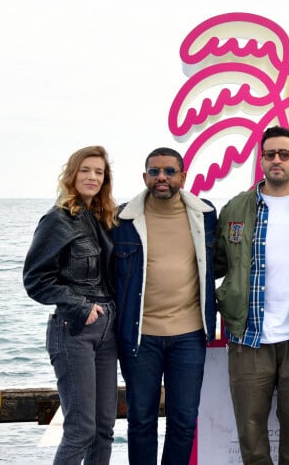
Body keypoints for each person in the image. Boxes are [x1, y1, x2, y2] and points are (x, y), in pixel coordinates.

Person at [214, 125, 289, 465]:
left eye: (284, 154)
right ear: (260, 160)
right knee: (251, 438)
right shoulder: (235, 209)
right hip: (249, 337)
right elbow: (216, 264)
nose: (276, 160)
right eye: (269, 154)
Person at [111, 147, 217, 465]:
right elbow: (106, 275)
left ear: (182, 177)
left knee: (183, 422)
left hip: (189, 335)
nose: (162, 177)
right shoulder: (121, 220)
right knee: (141, 421)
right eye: (155, 171)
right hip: (140, 336)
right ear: (144, 177)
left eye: (170, 171)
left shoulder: (205, 214)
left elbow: (220, 263)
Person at [23, 145, 118, 465]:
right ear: (72, 174)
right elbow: (36, 280)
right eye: (85, 170)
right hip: (75, 330)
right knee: (80, 429)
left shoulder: (102, 218)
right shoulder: (57, 220)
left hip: (108, 332)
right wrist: (80, 306)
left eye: (99, 172)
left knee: (105, 427)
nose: (92, 177)